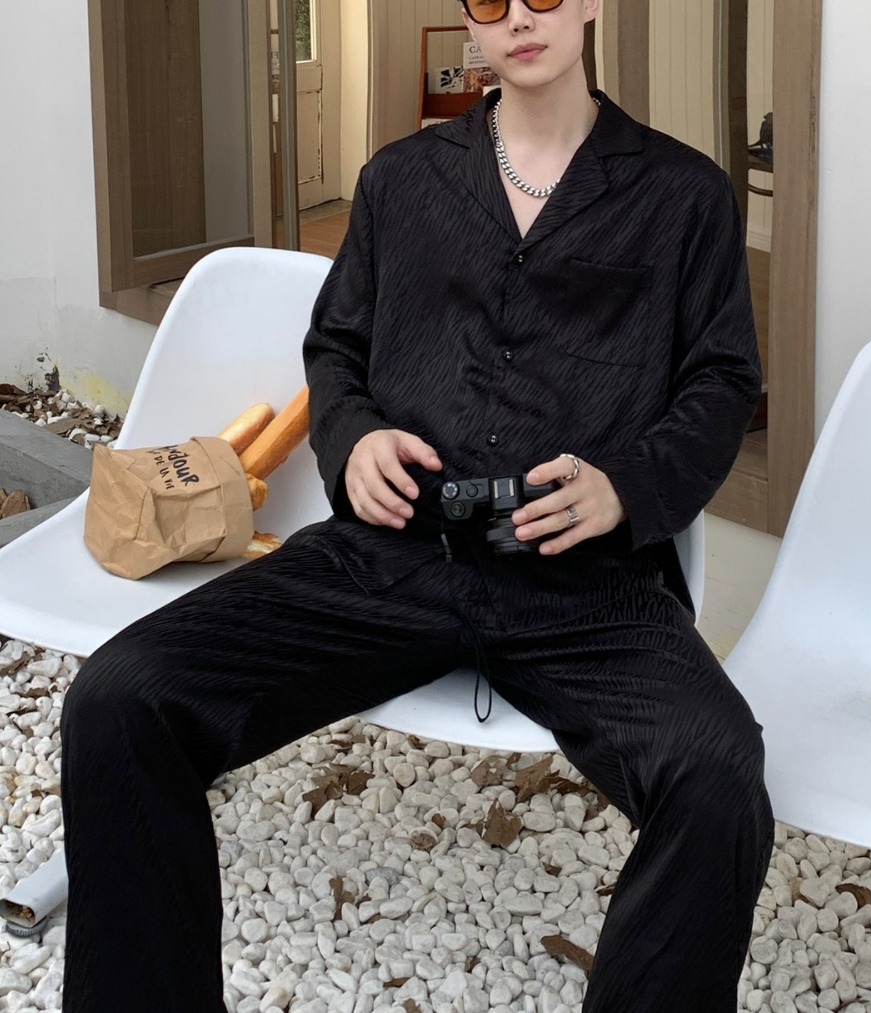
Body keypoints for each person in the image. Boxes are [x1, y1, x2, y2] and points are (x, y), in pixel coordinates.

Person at [59, 0, 773, 1009]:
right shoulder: (400, 180)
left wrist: (626, 484)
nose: (519, 17)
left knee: (717, 772)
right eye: (490, 0)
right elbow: (337, 347)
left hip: (582, 581)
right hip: (392, 552)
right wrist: (352, 438)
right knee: (119, 698)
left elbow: (720, 383)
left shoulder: (681, 193)